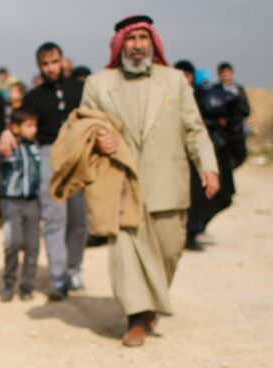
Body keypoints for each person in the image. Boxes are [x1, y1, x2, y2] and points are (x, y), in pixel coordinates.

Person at [80, 15, 219, 347]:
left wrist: (208, 166)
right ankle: (137, 316)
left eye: (144, 37)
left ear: (153, 42)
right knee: (127, 252)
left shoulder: (174, 81)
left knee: (169, 251)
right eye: (132, 38)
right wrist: (99, 136)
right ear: (120, 44)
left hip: (168, 182)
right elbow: (83, 124)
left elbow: (195, 129)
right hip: (122, 183)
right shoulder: (99, 84)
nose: (138, 44)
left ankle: (153, 303)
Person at [0, 42, 87, 300]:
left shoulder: (80, 89)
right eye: (45, 64)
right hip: (48, 155)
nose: (51, 68)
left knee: (79, 220)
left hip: (79, 155)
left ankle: (74, 270)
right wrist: (6, 132)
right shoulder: (34, 97)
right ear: (40, 67)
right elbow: (15, 122)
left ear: (63, 61)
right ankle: (59, 277)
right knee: (54, 217)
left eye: (54, 62)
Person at [175, 60, 237, 251]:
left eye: (187, 75)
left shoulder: (205, 97)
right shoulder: (167, 98)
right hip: (177, 158)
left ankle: (195, 229)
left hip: (204, 154)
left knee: (215, 196)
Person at [0, 109, 41, 302]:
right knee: (13, 243)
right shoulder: (5, 147)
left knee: (32, 246)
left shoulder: (36, 147)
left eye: (35, 126)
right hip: (11, 203)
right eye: (29, 126)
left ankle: (27, 287)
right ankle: (9, 284)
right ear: (15, 127)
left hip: (32, 203)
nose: (34, 130)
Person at [217, 62, 251, 168]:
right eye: (223, 73)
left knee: (241, 154)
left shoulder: (239, 90)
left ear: (232, 73)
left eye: (227, 73)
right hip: (223, 128)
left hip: (238, 126)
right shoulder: (216, 90)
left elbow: (246, 108)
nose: (226, 76)